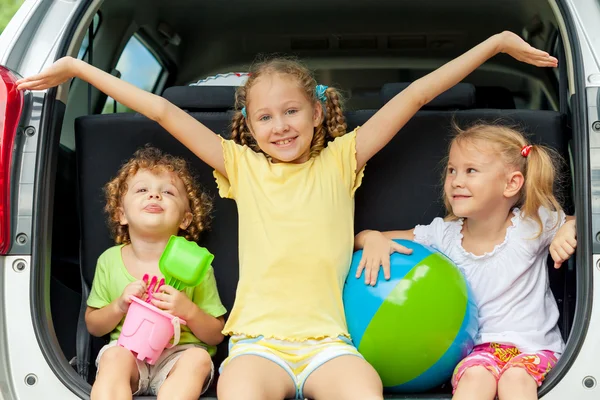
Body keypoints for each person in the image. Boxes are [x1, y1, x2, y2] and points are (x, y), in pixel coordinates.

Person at [17, 31, 558, 400]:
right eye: (265, 117)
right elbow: (161, 110)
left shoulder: (342, 159)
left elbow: (416, 96)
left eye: (292, 111)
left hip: (329, 344)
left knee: (364, 391)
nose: (279, 126)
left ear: (318, 111)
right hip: (257, 342)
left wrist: (494, 45)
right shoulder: (242, 167)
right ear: (248, 126)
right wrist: (77, 68)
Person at [354, 123, 577, 400]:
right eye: (452, 170)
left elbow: (582, 222)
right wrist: (371, 238)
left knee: (516, 379)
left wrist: (568, 229)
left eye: (470, 171)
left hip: (535, 349)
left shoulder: (533, 225)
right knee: (474, 378)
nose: (456, 180)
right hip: (476, 351)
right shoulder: (442, 235)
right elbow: (360, 239)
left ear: (511, 184)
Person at [84, 146, 226, 399]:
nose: (154, 196)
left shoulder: (196, 265)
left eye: (168, 192)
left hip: (179, 355)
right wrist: (119, 306)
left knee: (198, 358)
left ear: (185, 219)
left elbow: (215, 335)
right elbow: (94, 326)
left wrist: (188, 311)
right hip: (128, 353)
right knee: (113, 357)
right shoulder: (109, 261)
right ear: (121, 214)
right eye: (142, 190)